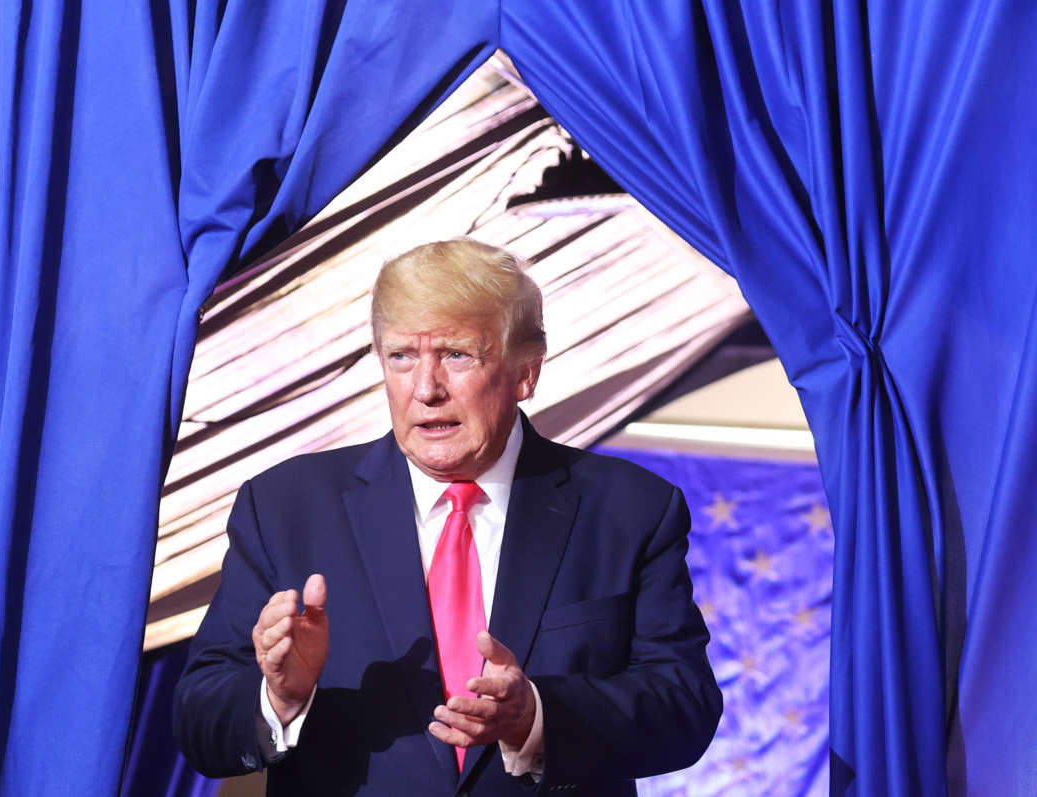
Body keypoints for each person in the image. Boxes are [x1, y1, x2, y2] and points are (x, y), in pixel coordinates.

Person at [173, 239, 721, 796]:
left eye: (457, 354)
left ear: (525, 372)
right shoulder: (285, 507)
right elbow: (199, 718)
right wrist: (281, 699)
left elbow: (685, 707)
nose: (426, 389)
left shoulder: (630, 510)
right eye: (402, 357)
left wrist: (536, 714)